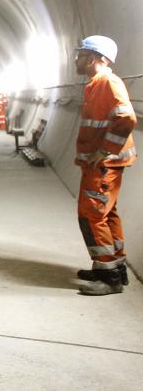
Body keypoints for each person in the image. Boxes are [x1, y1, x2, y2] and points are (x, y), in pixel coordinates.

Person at [73, 35, 136, 295]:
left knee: (92, 215)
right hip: (99, 165)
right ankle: (113, 267)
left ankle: (108, 276)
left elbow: (126, 118)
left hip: (104, 166)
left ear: (98, 58)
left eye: (82, 54)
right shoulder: (94, 84)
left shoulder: (108, 83)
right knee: (106, 214)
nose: (77, 58)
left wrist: (105, 152)